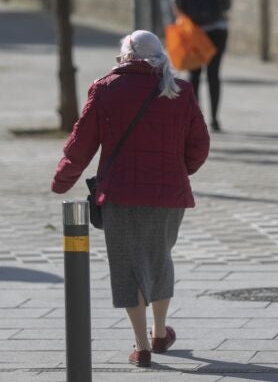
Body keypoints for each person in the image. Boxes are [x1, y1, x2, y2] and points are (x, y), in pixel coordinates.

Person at [52, 30, 210, 368]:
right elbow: (200, 144)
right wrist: (178, 171)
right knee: (159, 259)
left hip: (120, 195)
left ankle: (142, 346)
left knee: (126, 267)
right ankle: (160, 332)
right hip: (169, 194)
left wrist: (62, 179)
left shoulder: (105, 88)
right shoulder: (180, 90)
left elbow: (81, 143)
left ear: (125, 56)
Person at [169, 0, 231, 132]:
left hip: (194, 32)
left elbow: (176, 2)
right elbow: (227, 3)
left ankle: (195, 120)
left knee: (194, 75)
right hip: (217, 30)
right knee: (214, 74)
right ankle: (214, 119)